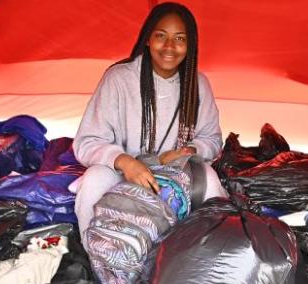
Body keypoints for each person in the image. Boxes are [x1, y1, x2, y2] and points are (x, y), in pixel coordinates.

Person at [73, 2, 227, 245]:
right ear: (147, 39)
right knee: (94, 180)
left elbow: (212, 139)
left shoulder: (198, 84)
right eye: (160, 36)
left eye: (179, 38)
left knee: (209, 179)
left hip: (176, 174)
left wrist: (190, 151)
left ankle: (201, 260)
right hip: (122, 173)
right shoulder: (119, 79)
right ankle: (100, 263)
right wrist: (126, 163)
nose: (169, 47)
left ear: (190, 45)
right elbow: (87, 142)